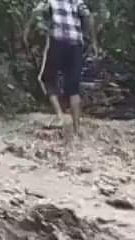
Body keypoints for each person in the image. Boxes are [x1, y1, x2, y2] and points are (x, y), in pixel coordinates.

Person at [33, 0, 98, 138]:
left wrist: (35, 30)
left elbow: (36, 13)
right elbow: (88, 17)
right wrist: (92, 41)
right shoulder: (76, 1)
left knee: (47, 79)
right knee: (73, 88)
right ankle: (76, 129)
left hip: (57, 43)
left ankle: (60, 116)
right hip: (75, 45)